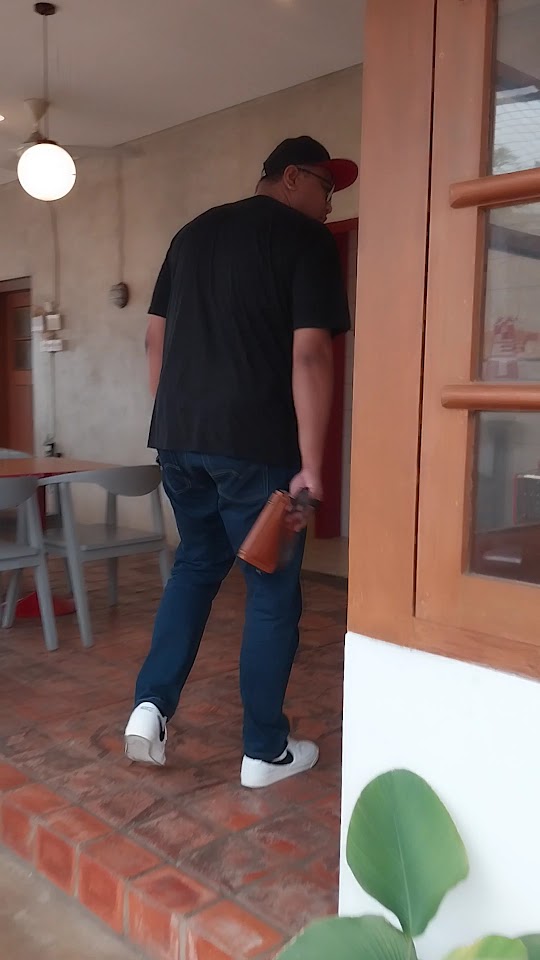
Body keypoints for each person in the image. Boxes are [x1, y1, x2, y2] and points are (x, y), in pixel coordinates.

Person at [124, 136, 358, 788]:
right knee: (272, 590)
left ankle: (150, 707)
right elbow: (310, 354)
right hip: (256, 447)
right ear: (292, 177)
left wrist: (178, 419)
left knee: (196, 566)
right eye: (326, 187)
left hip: (178, 440)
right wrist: (312, 465)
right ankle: (264, 750)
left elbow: (154, 338)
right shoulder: (307, 241)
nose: (330, 203)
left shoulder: (191, 235)